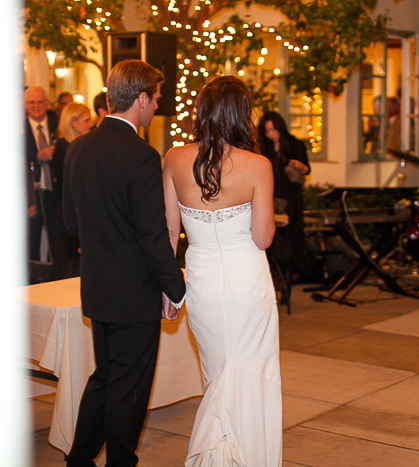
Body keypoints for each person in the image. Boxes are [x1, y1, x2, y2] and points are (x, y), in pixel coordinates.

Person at [63, 59, 186, 467]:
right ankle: (119, 462)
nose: (158, 106)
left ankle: (78, 459)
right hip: (134, 294)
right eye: (156, 99)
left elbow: (68, 222)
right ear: (140, 99)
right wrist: (176, 287)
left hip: (97, 287)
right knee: (129, 387)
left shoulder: (78, 147)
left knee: (105, 378)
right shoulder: (142, 155)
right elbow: (152, 235)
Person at [163, 76, 281, 466]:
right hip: (249, 285)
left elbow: (169, 232)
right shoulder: (258, 165)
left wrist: (167, 287)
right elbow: (263, 238)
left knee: (218, 376)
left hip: (203, 284)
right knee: (249, 375)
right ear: (241, 115)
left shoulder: (174, 159)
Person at [257, 111, 310, 289]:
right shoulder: (263, 147)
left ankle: (290, 273)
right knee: (270, 237)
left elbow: (306, 169)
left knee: (291, 236)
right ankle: (273, 272)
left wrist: (300, 167)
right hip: (269, 197)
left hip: (290, 199)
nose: (271, 134)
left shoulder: (295, 145)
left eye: (274, 130)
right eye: (267, 131)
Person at [51, 102, 92, 280]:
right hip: (69, 209)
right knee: (69, 263)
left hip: (81, 209)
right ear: (72, 122)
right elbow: (65, 184)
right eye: (86, 120)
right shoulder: (62, 147)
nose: (90, 124)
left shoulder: (82, 145)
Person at [24, 85, 58, 263]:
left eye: (40, 101)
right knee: (33, 242)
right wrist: (37, 157)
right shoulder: (18, 130)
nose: (36, 105)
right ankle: (36, 280)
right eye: (31, 102)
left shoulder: (57, 124)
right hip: (33, 194)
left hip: (55, 192)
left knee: (57, 241)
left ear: (47, 103)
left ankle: (56, 278)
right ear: (25, 104)